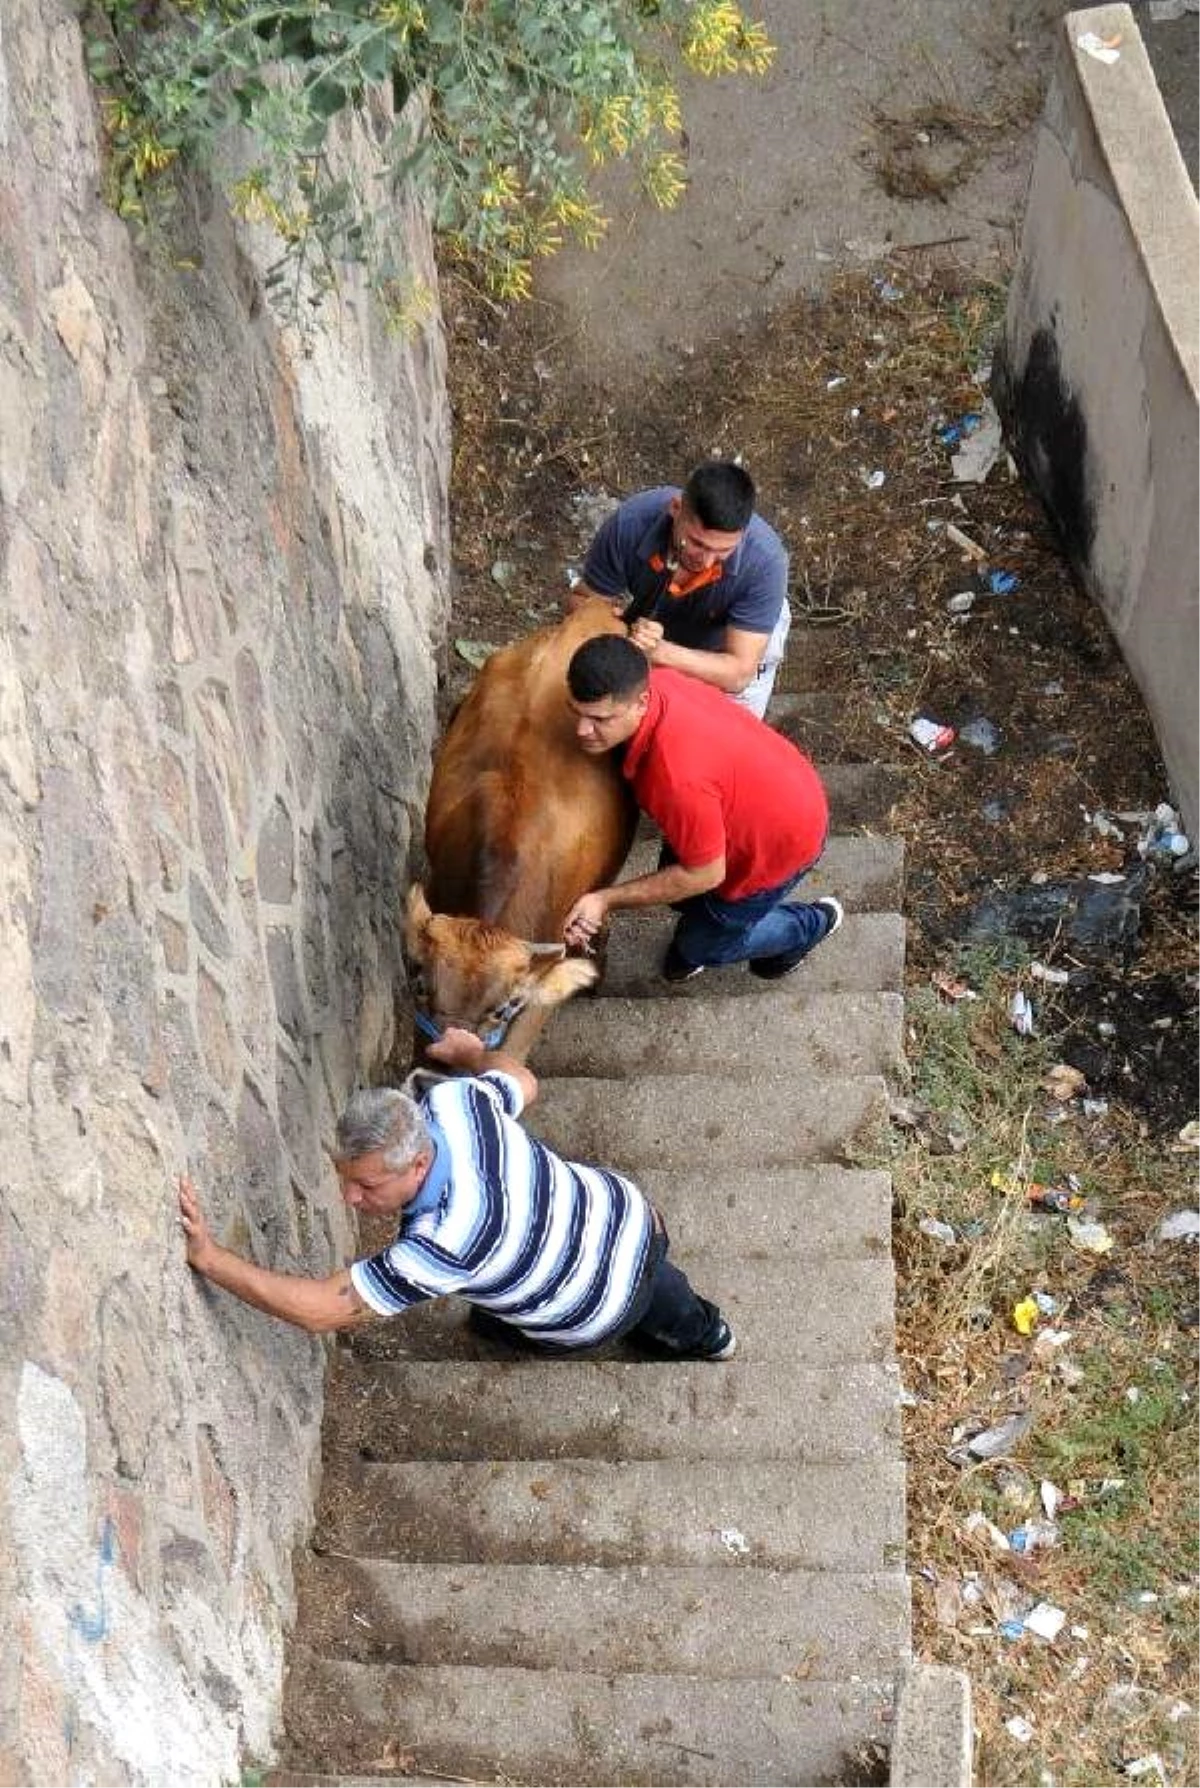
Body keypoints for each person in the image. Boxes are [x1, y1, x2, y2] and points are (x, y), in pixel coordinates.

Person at [177, 1027, 735, 1361]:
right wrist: (472, 1054)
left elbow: (324, 1311)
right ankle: (711, 1335)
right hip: (633, 1217)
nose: (348, 1197)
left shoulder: (447, 1242)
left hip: (593, 1311)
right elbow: (524, 1081)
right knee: (668, 1290)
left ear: (417, 1161)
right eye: (345, 1176)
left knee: (497, 1326)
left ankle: (692, 1333)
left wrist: (211, 1258)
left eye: (366, 1184)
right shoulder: (457, 1105)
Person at [561, 634, 843, 983]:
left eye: (600, 719)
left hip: (781, 845)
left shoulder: (676, 778)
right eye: (577, 712)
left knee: (705, 947)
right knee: (683, 899)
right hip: (770, 795)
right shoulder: (660, 680)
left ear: (640, 702)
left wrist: (605, 899)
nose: (582, 730)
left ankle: (810, 925)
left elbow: (705, 874)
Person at [566, 460, 790, 720]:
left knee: (725, 732)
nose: (705, 561)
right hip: (662, 618)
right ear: (675, 508)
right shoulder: (631, 523)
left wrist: (661, 652)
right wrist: (615, 628)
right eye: (697, 543)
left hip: (737, 642)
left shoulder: (766, 563)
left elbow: (738, 673)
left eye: (723, 551)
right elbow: (581, 600)